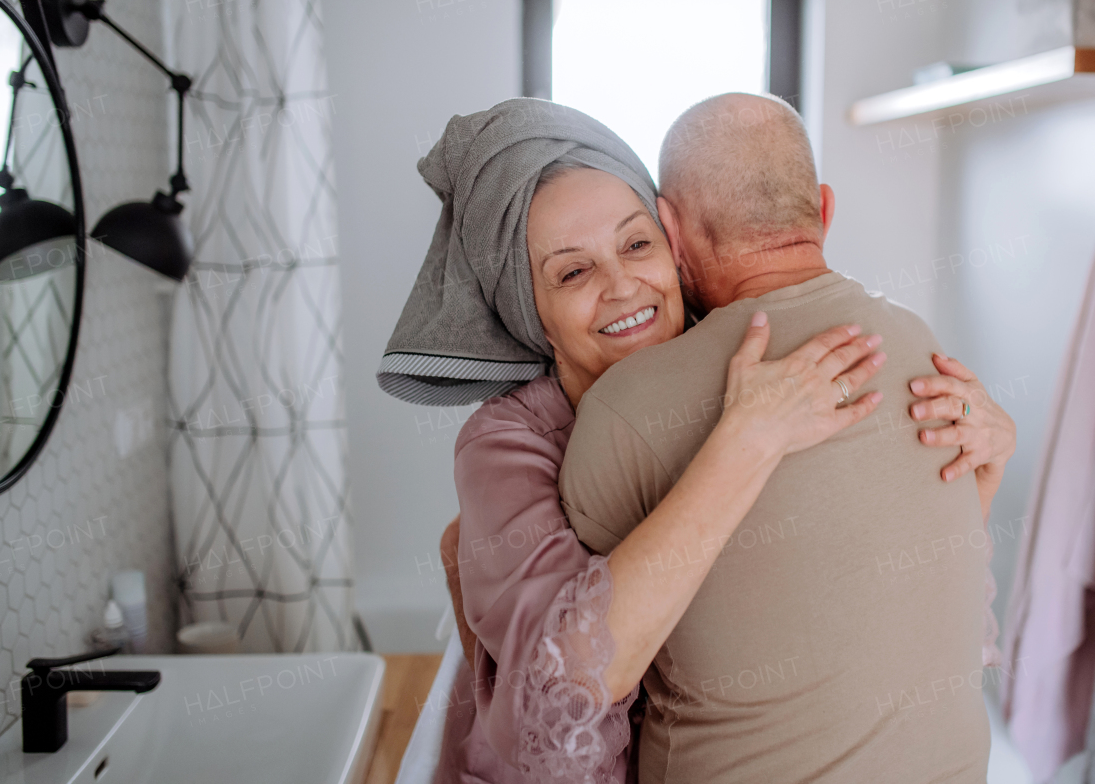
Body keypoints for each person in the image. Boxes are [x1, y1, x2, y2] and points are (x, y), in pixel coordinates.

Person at [377, 98, 1013, 784]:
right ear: (528, 311)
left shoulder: (755, 356)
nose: (623, 287)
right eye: (572, 271)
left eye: (637, 243)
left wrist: (984, 456)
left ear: (673, 242)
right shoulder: (504, 442)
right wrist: (746, 441)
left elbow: (866, 569)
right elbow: (559, 691)